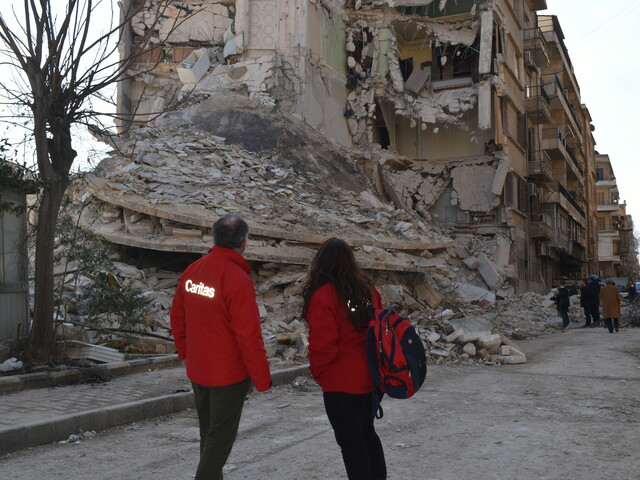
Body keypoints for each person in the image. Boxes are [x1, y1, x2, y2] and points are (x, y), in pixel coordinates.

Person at [171, 214, 272, 480]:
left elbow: (178, 318)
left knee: (210, 437)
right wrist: (262, 379)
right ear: (244, 243)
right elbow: (249, 336)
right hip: (227, 376)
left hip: (199, 371)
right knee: (219, 442)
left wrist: (185, 353)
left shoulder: (193, 272)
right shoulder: (237, 280)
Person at [302, 238, 387, 480]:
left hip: (341, 382)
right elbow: (379, 329)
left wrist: (319, 374)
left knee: (351, 444)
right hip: (370, 377)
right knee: (367, 434)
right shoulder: (367, 290)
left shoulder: (324, 296)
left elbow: (323, 346)